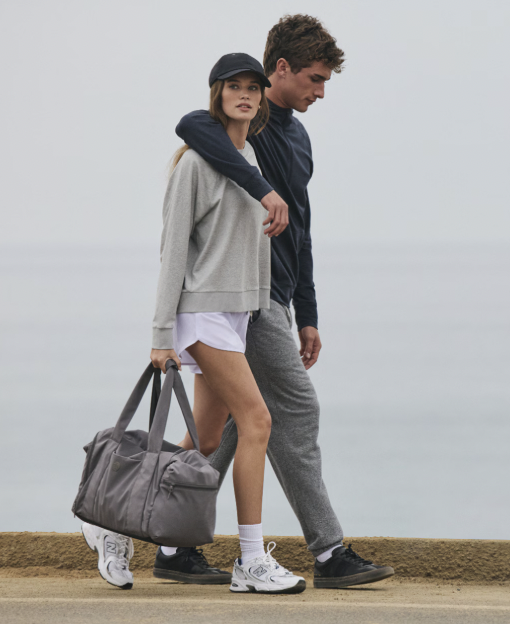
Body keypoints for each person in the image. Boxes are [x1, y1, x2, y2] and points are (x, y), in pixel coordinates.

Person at [171, 14, 396, 589]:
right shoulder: (252, 120)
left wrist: (309, 314)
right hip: (250, 293)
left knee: (223, 429)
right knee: (294, 411)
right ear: (281, 68)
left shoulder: (298, 137)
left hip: (278, 298)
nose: (321, 92)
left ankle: (170, 540)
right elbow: (190, 123)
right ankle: (329, 552)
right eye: (315, 79)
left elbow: (302, 229)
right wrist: (263, 189)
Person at [82, 52, 305, 595]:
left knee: (203, 440)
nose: (245, 95)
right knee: (257, 421)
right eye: (234, 86)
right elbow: (173, 254)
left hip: (235, 316)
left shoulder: (250, 157)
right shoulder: (194, 165)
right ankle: (250, 560)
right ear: (217, 94)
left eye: (253, 87)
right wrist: (161, 336)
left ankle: (112, 524)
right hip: (201, 313)